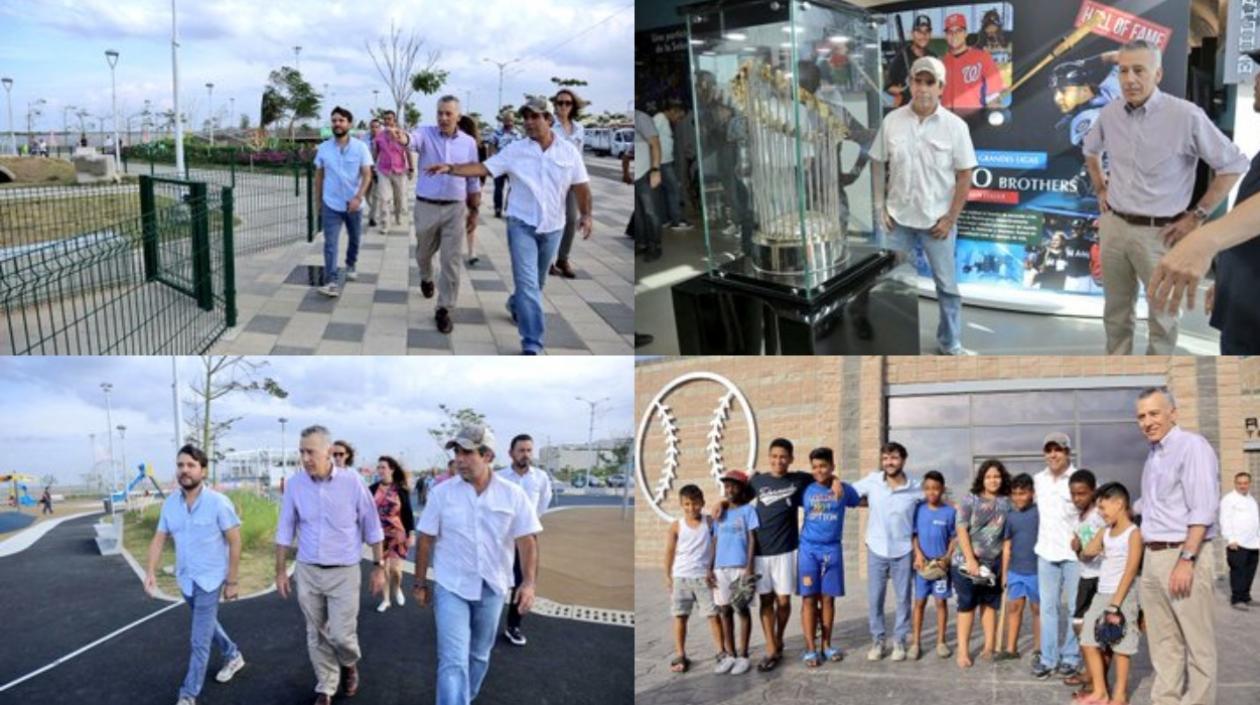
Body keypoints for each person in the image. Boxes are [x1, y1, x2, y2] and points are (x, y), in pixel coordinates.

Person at [1082, 39, 1248, 355]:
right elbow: (1090, 150)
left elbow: (1232, 165)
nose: (1130, 79)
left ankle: (1155, 385)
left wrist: (1198, 216)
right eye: (1123, 71)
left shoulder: (1186, 116)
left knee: (1163, 318)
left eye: (1139, 70)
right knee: (1115, 313)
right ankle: (1117, 377)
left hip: (1160, 234)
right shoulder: (1110, 113)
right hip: (1114, 227)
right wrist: (1101, 188)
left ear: (1157, 74)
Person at [426, 96, 593, 355]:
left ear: (548, 120)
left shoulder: (568, 152)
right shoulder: (516, 150)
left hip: (553, 228)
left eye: (535, 116)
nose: (528, 122)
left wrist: (587, 215)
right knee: (528, 285)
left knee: (535, 284)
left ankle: (516, 306)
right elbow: (483, 167)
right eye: (525, 117)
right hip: (521, 224)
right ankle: (532, 344)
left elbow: (581, 185)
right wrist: (451, 168)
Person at [414, 423, 542, 705]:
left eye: (467, 452)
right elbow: (425, 539)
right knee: (453, 659)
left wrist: (529, 583)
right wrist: (420, 582)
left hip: (493, 587)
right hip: (452, 586)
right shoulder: (442, 493)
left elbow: (527, 541)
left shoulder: (513, 494)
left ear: (487, 456)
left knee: (479, 656)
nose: (459, 458)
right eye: (457, 452)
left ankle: (464, 698)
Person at [1148, 49, 1260, 354]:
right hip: (1243, 306)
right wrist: (1227, 281)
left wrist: (1203, 238)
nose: (1256, 79)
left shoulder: (1186, 115)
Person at [871, 56, 978, 355]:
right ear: (910, 82)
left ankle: (950, 343)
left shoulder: (955, 127)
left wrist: (951, 217)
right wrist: (879, 205)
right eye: (918, 80)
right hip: (898, 221)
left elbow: (965, 173)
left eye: (930, 82)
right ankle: (892, 342)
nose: (923, 88)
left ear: (941, 87)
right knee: (890, 285)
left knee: (947, 288)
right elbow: (877, 163)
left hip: (937, 225)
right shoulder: (892, 121)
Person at [275, 425, 386, 705]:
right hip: (308, 570)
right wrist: (280, 571)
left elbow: (372, 525)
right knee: (315, 632)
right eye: (302, 452)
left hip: (344, 572)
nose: (305, 458)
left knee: (340, 634)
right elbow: (285, 528)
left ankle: (349, 664)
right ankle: (326, 684)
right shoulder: (295, 485)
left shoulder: (353, 483)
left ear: (328, 452)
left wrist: (378, 566)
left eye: (310, 452)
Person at [1134, 387, 1220, 705]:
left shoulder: (1192, 447)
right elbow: (1154, 504)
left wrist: (1187, 558)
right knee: (1163, 642)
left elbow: (1203, 508)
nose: (1147, 422)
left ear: (1174, 412)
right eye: (1141, 416)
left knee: (1198, 645)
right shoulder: (1154, 455)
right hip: (1153, 557)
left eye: (1154, 413)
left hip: (1183, 554)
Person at [145, 444, 246, 705]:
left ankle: (188, 695)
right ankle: (233, 654)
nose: (184, 470)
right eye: (180, 465)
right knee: (208, 624)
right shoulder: (170, 505)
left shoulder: (218, 503)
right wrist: (150, 572)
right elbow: (158, 539)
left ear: (203, 469)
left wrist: (232, 581)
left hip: (211, 580)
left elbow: (235, 541)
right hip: (186, 579)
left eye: (190, 465)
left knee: (198, 640)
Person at [740, 438, 841, 672]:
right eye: (774, 456)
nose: (778, 460)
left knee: (784, 601)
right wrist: (722, 503)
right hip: (761, 553)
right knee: (766, 601)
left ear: (791, 459)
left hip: (786, 550)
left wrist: (835, 480)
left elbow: (822, 476)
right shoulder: (757, 481)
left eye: (783, 456)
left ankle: (779, 637)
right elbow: (737, 498)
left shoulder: (799, 480)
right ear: (769, 457)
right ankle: (771, 647)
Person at [401, 96, 482, 336]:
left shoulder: (468, 143)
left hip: (455, 209)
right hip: (426, 206)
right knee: (423, 253)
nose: (443, 118)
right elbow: (411, 140)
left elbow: (473, 176)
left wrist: (474, 209)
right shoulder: (425, 133)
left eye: (448, 113)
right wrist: (402, 137)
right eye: (440, 113)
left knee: (451, 261)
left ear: (458, 115)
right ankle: (426, 277)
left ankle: (445, 309)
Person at [852, 441, 924, 661]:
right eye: (885, 459)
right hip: (876, 548)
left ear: (903, 460)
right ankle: (878, 641)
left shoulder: (916, 486)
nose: (889, 463)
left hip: (903, 550)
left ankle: (900, 642)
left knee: (903, 599)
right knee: (875, 599)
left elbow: (934, 500)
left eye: (893, 458)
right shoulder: (873, 481)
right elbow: (849, 493)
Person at [1078, 482, 1144, 705]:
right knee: (1088, 639)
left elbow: (1131, 569)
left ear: (1119, 504)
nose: (1100, 512)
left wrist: (1116, 604)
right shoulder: (1106, 531)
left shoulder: (1133, 533)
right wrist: (1085, 543)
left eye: (1103, 508)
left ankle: (1120, 695)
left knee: (1120, 645)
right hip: (1101, 594)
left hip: (1123, 596)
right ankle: (1100, 692)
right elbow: (1087, 551)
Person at [798, 447, 862, 667]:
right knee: (808, 598)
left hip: (832, 550)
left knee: (827, 599)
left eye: (824, 466)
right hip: (808, 550)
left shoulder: (843, 490)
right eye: (815, 467)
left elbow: (865, 500)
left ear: (832, 466)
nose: (819, 470)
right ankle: (810, 648)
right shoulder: (805, 489)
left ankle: (826, 645)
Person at [1031, 431, 1083, 680]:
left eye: (1058, 449)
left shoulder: (1077, 478)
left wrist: (1084, 537)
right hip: (1046, 553)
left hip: (1074, 556)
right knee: (1048, 608)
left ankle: (1071, 657)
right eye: (1049, 450)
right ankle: (1048, 658)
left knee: (1075, 608)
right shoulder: (1037, 480)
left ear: (1067, 452)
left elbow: (1093, 511)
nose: (1053, 454)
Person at [494, 433, 553, 646]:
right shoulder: (499, 477)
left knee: (524, 582)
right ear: (511, 453)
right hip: (501, 539)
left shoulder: (540, 478)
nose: (525, 454)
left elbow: (544, 502)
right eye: (521, 450)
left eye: (529, 450)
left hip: (527, 539)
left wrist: (529, 525)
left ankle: (513, 626)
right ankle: (486, 622)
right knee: (496, 580)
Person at [952, 459, 1011, 669]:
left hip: (992, 565)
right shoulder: (971, 500)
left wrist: (1004, 569)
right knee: (967, 606)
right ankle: (963, 651)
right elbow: (961, 529)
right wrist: (970, 560)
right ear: (982, 479)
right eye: (989, 477)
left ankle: (988, 646)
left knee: (989, 605)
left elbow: (1007, 537)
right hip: (966, 564)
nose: (993, 480)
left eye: (997, 476)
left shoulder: (1007, 502)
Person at [313, 107, 373, 298]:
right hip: (331, 203)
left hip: (353, 204)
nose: (337, 124)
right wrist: (318, 203)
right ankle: (331, 281)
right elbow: (319, 177)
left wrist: (358, 197)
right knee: (330, 243)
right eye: (334, 121)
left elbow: (367, 175)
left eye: (341, 120)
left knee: (354, 239)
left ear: (349, 123)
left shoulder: (360, 147)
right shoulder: (324, 148)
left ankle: (351, 263)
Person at [664, 483, 720, 674]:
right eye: (687, 504)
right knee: (680, 616)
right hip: (681, 578)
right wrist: (668, 576)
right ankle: (680, 654)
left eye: (695, 504)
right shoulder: (676, 526)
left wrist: (713, 569)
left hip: (703, 579)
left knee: (713, 615)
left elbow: (717, 545)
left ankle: (721, 652)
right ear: (681, 504)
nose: (691, 508)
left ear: (702, 503)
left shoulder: (710, 522)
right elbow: (669, 552)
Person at [712, 469, 759, 675]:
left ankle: (743, 655)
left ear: (742, 488)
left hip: (740, 568)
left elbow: (752, 540)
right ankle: (730, 655)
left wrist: (749, 566)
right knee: (725, 611)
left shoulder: (748, 511)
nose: (729, 489)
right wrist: (709, 567)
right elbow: (714, 541)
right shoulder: (719, 513)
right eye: (727, 486)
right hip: (720, 568)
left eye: (733, 485)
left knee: (742, 610)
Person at [1065, 469, 1105, 693]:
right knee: (1079, 624)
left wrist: (1092, 548)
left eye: (1082, 493)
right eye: (1074, 494)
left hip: (1101, 578)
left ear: (1093, 491)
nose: (1078, 498)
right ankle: (1090, 671)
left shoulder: (1099, 515)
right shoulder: (1076, 517)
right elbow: (1081, 548)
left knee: (1097, 630)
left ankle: (1096, 681)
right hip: (1085, 576)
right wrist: (1077, 546)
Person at [910, 470, 956, 660]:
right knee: (919, 603)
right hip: (922, 567)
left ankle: (941, 642)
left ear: (942, 489)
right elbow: (914, 535)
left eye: (936, 488)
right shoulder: (918, 509)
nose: (932, 492)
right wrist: (918, 555)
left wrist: (947, 557)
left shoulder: (950, 512)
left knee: (940, 602)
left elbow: (955, 537)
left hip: (941, 569)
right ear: (923, 489)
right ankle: (915, 643)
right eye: (928, 488)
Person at [997, 473, 1040, 662]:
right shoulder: (1011, 517)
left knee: (1037, 610)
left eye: (1022, 493)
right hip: (1015, 571)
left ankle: (1039, 648)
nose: (1018, 498)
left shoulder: (1040, 513)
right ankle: (1011, 648)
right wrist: (1005, 574)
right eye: (1014, 494)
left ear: (1032, 493)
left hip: (1037, 572)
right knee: (1014, 608)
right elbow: (1007, 547)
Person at [369, 455, 415, 613]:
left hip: (398, 534)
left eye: (383, 467)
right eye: (379, 467)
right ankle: (386, 599)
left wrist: (411, 534)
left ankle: (397, 588)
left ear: (392, 469)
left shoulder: (400, 490)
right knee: (383, 568)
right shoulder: (372, 489)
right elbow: (366, 513)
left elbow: (408, 514)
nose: (380, 470)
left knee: (396, 570)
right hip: (380, 537)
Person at [550, 88, 587, 279]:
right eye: (560, 102)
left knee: (571, 219)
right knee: (551, 220)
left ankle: (563, 258)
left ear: (573, 106)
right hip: (552, 181)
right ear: (555, 105)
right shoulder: (549, 127)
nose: (563, 106)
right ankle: (547, 259)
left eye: (567, 103)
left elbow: (579, 156)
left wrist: (580, 180)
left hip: (571, 181)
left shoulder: (579, 128)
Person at [940, 13, 1006, 112]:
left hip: (974, 120)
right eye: (950, 31)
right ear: (945, 35)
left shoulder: (983, 58)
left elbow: (994, 97)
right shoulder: (940, 63)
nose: (954, 35)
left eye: (958, 30)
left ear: (965, 33)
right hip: (946, 121)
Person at [1221, 472, 1259, 610]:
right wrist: (1231, 539)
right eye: (1239, 483)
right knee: (1238, 571)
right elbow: (1225, 520)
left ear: (1249, 483)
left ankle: (1246, 597)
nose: (1242, 486)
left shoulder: (1251, 500)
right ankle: (1237, 599)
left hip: (1253, 543)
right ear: (1235, 483)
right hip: (1237, 543)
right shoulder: (1229, 499)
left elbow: (1255, 521)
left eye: (1245, 483)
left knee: (1250, 571)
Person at [884, 14, 936, 109]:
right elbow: (888, 87)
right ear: (912, 34)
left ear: (930, 34)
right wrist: (903, 90)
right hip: (906, 110)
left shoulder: (933, 58)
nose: (923, 36)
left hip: (927, 110)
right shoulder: (901, 58)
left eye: (927, 31)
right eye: (919, 32)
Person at [634, 103, 664, 262]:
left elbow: (655, 144)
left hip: (645, 173)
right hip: (635, 175)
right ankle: (642, 244)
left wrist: (655, 170)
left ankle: (655, 246)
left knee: (650, 212)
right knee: (638, 214)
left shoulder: (641, 117)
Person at [651, 100, 686, 233]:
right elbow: (651, 138)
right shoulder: (660, 118)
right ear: (673, 111)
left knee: (666, 192)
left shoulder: (664, 120)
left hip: (664, 161)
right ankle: (676, 221)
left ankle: (666, 219)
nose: (679, 120)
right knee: (673, 190)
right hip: (662, 162)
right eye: (679, 116)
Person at [374, 110, 411, 232]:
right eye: (385, 119)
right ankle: (385, 224)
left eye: (390, 118)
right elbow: (376, 152)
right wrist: (373, 166)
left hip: (399, 170)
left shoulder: (402, 134)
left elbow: (408, 151)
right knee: (384, 198)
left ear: (394, 120)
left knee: (399, 197)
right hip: (383, 170)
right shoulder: (379, 136)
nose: (387, 121)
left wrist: (411, 167)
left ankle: (398, 215)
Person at [456, 115, 484, 267]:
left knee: (471, 219)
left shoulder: (478, 146)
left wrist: (478, 188)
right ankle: (466, 251)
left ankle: (472, 251)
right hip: (457, 187)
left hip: (472, 186)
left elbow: (483, 167)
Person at [487, 112, 522, 218]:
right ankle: (498, 208)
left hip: (513, 166)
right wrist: (491, 160)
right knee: (498, 188)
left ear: (514, 121)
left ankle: (509, 207)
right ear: (503, 121)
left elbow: (521, 149)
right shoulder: (496, 133)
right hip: (500, 165)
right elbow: (491, 145)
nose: (509, 123)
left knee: (513, 188)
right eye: (507, 120)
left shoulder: (517, 134)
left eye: (511, 121)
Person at [364, 118, 382, 229]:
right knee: (366, 195)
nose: (374, 129)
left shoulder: (383, 139)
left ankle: (372, 217)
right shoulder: (364, 139)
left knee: (375, 195)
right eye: (372, 127)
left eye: (377, 127)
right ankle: (374, 210)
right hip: (366, 170)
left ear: (380, 128)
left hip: (378, 171)